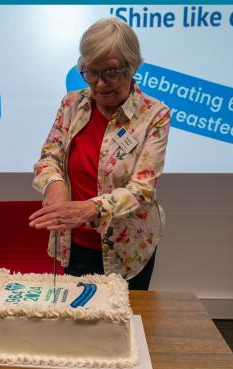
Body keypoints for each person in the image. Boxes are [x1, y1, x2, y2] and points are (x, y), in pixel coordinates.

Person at [28, 18, 170, 290]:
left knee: (123, 324)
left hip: (127, 251)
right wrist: (54, 185)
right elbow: (49, 156)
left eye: (111, 72)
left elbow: (142, 189)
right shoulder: (72, 103)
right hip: (76, 244)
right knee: (77, 323)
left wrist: (92, 208)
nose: (99, 83)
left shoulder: (154, 115)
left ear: (133, 66)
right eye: (90, 72)